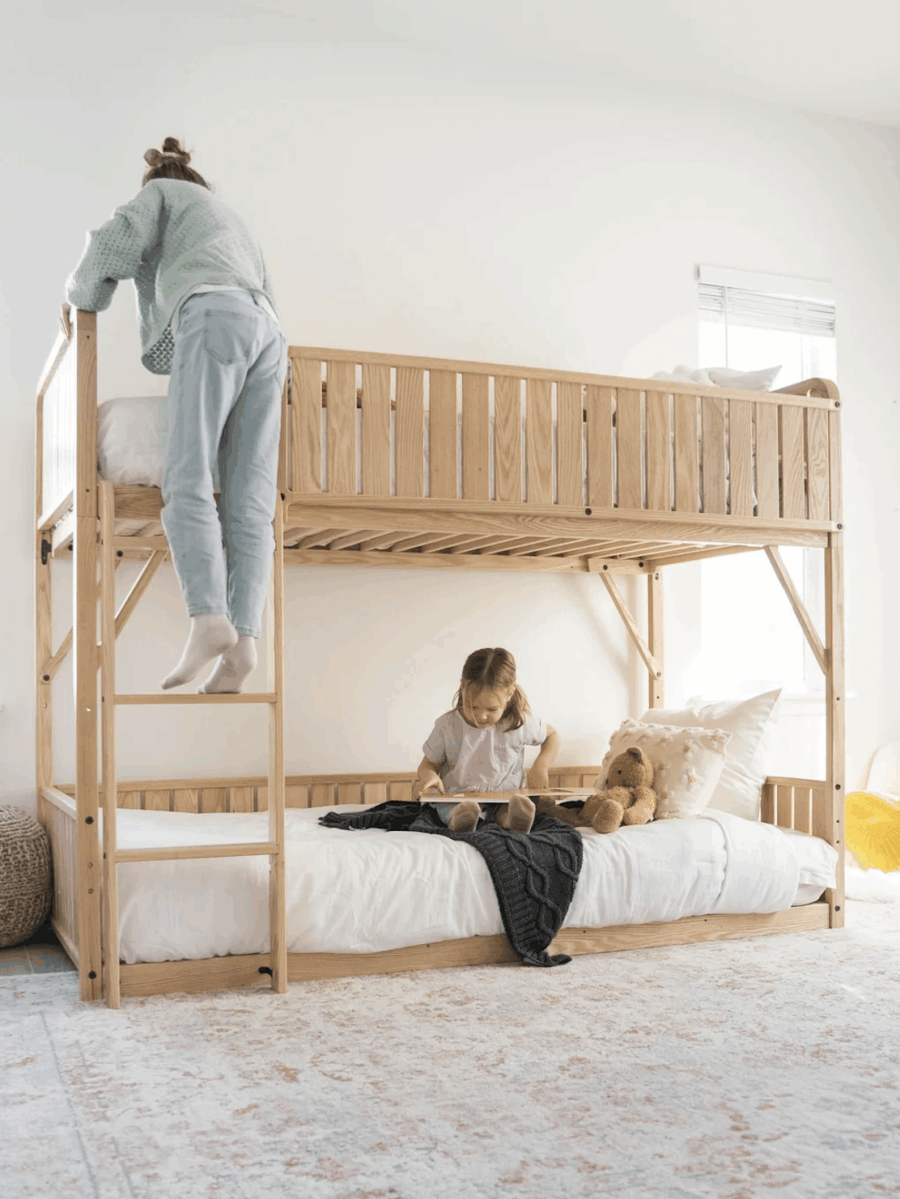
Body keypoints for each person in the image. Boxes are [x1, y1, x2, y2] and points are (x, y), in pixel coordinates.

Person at [64, 137, 287, 693]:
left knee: (185, 474)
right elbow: (264, 298)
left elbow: (111, 245)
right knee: (250, 501)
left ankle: (208, 618)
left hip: (213, 315)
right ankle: (245, 640)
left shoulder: (160, 193)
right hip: (271, 336)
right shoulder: (231, 221)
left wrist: (77, 296)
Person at [412, 647, 560, 834]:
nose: (481, 716)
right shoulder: (447, 725)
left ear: (509, 694)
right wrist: (429, 776)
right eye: (472, 706)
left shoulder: (518, 722)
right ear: (462, 688)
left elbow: (553, 736)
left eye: (491, 709)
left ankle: (513, 820)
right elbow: (427, 764)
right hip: (458, 796)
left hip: (503, 797)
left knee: (509, 807)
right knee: (450, 807)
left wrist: (542, 765)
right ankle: (460, 818)